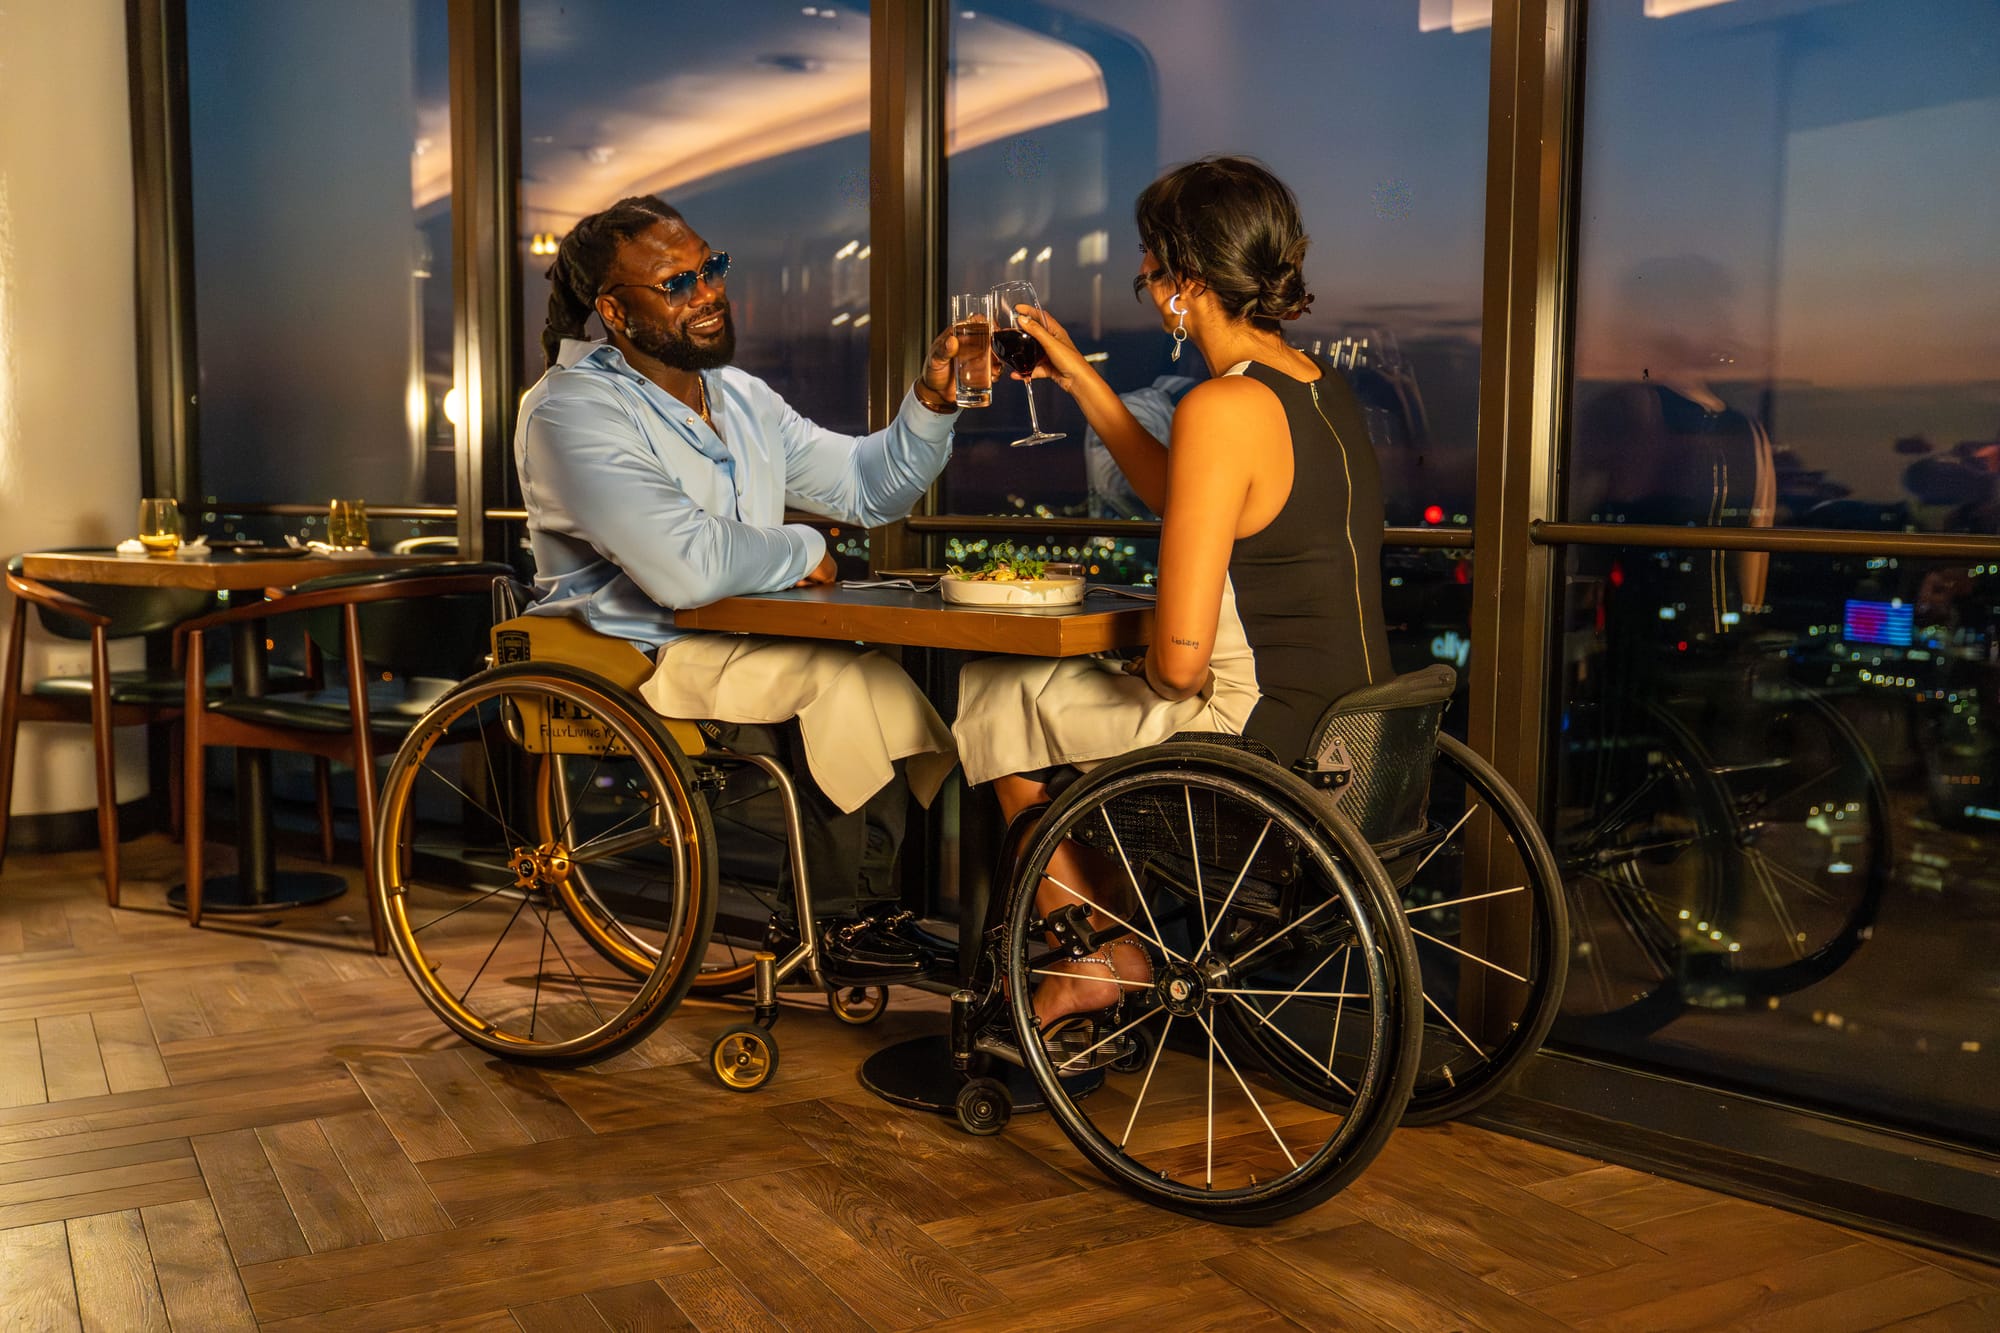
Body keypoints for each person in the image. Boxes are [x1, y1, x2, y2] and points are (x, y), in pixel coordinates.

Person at [952, 156, 1391, 1053]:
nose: (1147, 287)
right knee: (1050, 695)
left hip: (1259, 742)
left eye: (1150, 268)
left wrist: (1144, 664)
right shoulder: (1314, 385)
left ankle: (1098, 953)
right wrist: (1076, 373)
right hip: (1356, 731)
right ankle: (1112, 944)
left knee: (999, 686)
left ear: (1186, 282)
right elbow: (1176, 488)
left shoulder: (1221, 407)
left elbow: (1184, 663)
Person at [516, 194, 963, 972]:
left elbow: (867, 487)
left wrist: (930, 401)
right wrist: (802, 545)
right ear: (616, 313)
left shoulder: (742, 398)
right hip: (637, 657)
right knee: (841, 686)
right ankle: (829, 922)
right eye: (676, 283)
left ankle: (862, 911)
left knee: (885, 683)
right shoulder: (569, 411)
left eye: (710, 268)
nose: (708, 292)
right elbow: (683, 567)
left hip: (741, 646)